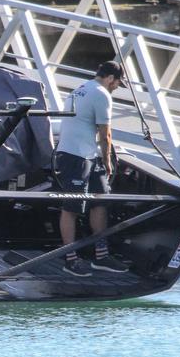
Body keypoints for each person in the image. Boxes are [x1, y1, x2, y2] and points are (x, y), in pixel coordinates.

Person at [55, 61, 129, 277]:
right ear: (109, 78)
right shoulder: (101, 94)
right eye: (117, 83)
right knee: (71, 207)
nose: (116, 87)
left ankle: (101, 256)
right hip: (75, 157)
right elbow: (105, 133)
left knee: (101, 200)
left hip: (87, 154)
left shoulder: (80, 89)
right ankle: (70, 260)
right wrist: (108, 161)